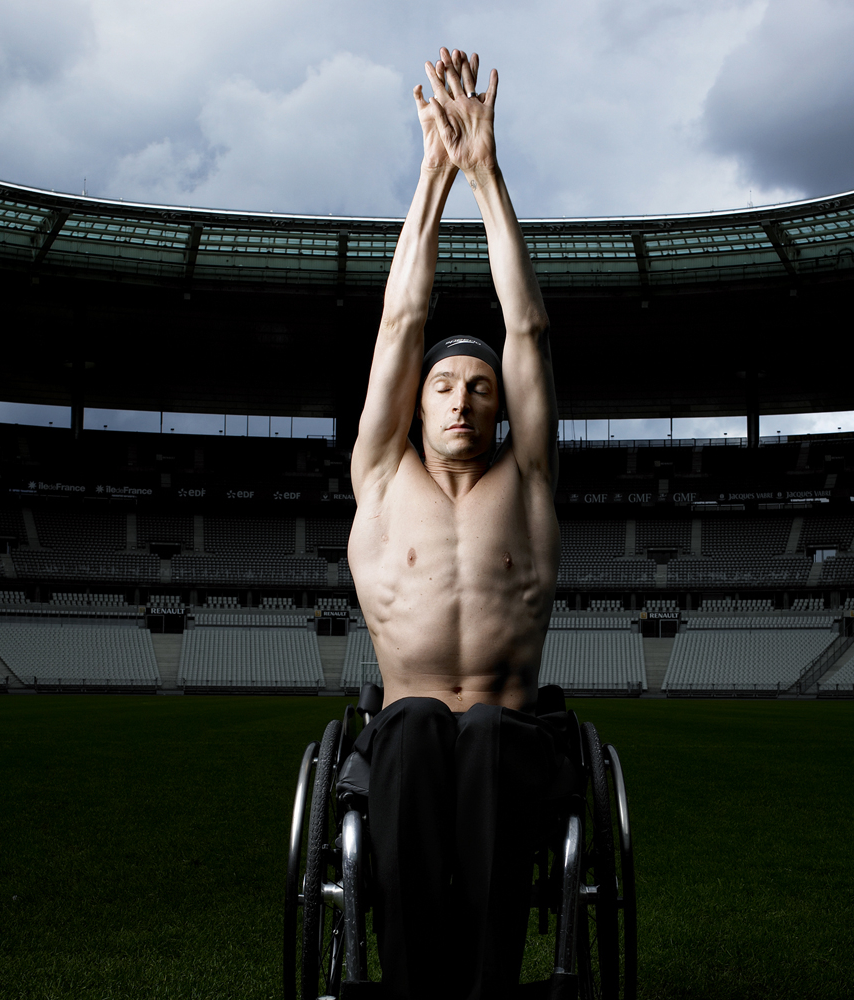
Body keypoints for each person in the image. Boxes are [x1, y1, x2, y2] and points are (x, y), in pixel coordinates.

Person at [346, 48, 565, 1000]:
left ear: (502, 407)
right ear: (418, 402)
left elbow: (527, 332)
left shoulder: (529, 480)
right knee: (423, 724)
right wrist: (433, 177)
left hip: (509, 736)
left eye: (480, 389)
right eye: (445, 386)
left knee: (476, 731)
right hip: (404, 730)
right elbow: (401, 321)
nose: (464, 401)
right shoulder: (380, 474)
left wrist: (487, 173)